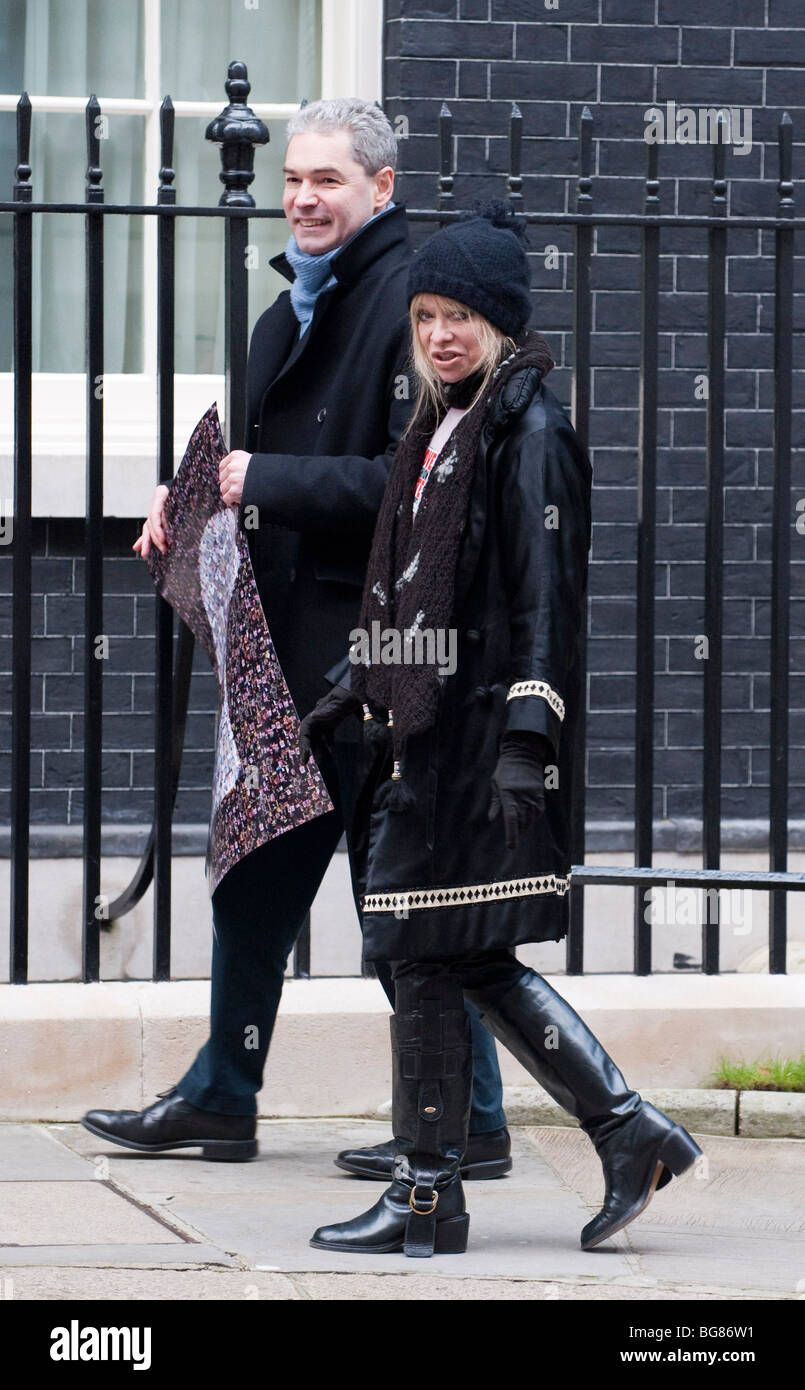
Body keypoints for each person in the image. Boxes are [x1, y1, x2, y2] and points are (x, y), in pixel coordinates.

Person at [81, 99, 512, 1181]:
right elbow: (246, 470)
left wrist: (259, 479)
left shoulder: (410, 306)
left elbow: (415, 482)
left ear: (380, 187)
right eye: (291, 181)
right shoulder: (292, 313)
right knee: (255, 874)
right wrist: (185, 502)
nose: (303, 199)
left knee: (397, 898)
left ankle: (473, 1120)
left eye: (327, 180)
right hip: (284, 660)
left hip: (375, 657)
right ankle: (225, 1094)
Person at [298, 202, 703, 1257]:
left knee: (424, 951)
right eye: (427, 313)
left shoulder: (528, 432)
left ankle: (432, 1194)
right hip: (424, 735)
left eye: (463, 315)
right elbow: (423, 592)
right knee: (450, 954)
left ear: (504, 323)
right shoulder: (442, 426)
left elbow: (542, 606)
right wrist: (356, 682)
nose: (440, 333)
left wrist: (532, 735)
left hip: (479, 748)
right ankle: (624, 1130)